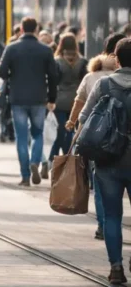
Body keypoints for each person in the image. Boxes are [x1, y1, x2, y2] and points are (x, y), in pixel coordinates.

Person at [79, 38, 131, 284]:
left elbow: (83, 118)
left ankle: (116, 268)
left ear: (117, 60)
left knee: (112, 216)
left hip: (108, 160)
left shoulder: (104, 84)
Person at [66, 32, 125, 241]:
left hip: (99, 144)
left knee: (104, 193)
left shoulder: (95, 79)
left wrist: (73, 125)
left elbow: (81, 106)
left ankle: (104, 230)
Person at [0, 17, 58, 186]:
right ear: (37, 30)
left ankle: (25, 176)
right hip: (39, 99)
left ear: (21, 30)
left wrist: (12, 75)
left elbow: (1, 72)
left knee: (21, 137)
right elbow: (53, 77)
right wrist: (52, 98)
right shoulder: (45, 50)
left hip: (18, 98)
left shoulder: (12, 48)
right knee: (38, 134)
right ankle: (35, 162)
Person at [43, 33, 87, 177]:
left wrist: (49, 100)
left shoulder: (57, 61)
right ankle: (70, 160)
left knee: (58, 132)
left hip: (59, 101)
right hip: (77, 101)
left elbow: (53, 82)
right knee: (72, 132)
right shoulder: (83, 62)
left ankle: (53, 160)